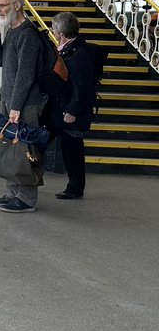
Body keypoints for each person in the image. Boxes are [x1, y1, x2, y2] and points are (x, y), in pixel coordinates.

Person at [0, 0, 47, 213]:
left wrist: (16, 106)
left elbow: (26, 74)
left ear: (17, 5)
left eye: (2, 5)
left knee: (26, 150)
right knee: (13, 150)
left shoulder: (28, 34)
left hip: (25, 103)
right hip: (11, 99)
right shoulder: (12, 30)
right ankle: (13, 192)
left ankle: (26, 198)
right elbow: (3, 61)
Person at [48, 11, 97, 200]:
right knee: (68, 147)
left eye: (54, 29)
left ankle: (75, 187)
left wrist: (72, 110)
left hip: (71, 110)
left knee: (73, 150)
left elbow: (82, 86)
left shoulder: (79, 55)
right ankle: (74, 186)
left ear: (61, 32)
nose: (53, 31)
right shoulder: (71, 50)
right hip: (62, 107)